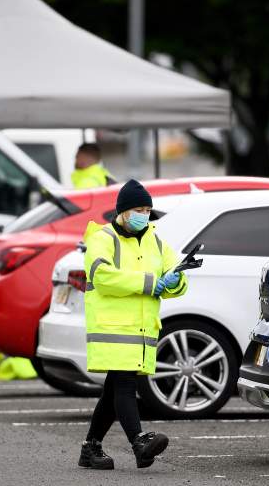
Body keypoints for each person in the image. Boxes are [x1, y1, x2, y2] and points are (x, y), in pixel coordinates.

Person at [79, 179, 187, 470]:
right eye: (138, 209)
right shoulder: (102, 238)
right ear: (123, 211)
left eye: (148, 209)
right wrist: (152, 284)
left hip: (140, 329)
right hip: (112, 326)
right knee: (125, 384)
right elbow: (102, 277)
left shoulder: (155, 239)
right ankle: (139, 441)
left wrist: (176, 281)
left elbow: (173, 273)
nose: (144, 215)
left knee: (114, 388)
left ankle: (90, 448)